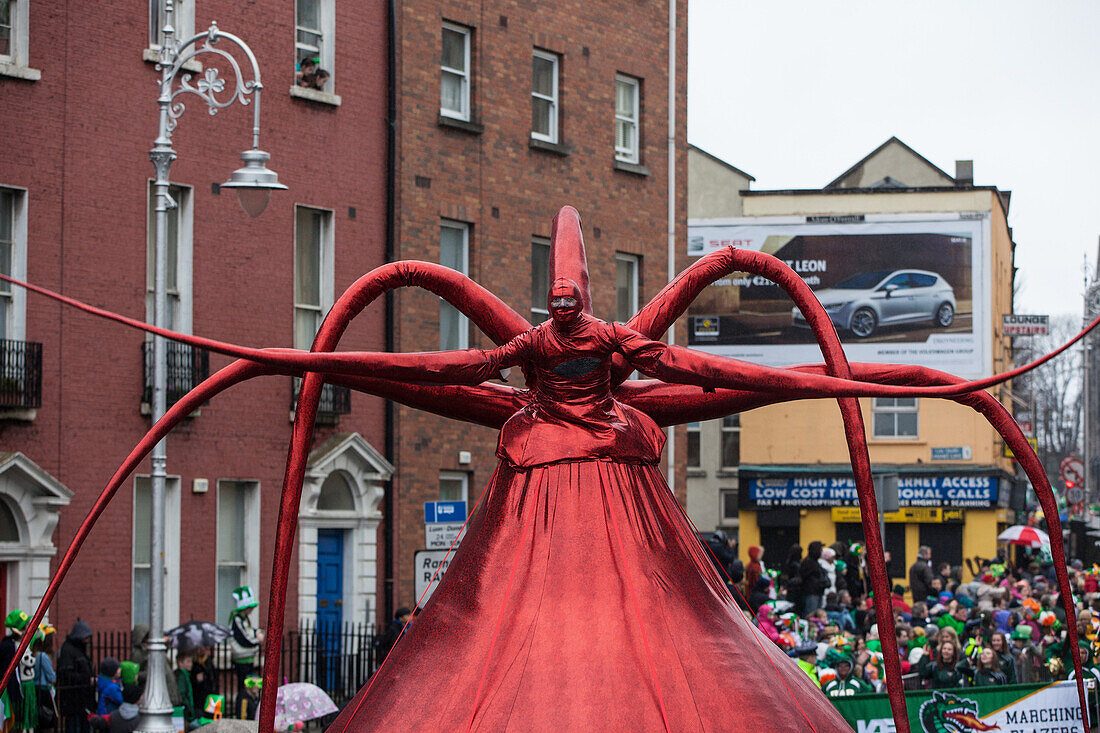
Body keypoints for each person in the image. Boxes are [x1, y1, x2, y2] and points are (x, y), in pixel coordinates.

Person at [329, 271, 853, 731]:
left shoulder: (572, 339)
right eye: (557, 307)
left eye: (565, 305)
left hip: (586, 443)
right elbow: (484, 364)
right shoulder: (560, 339)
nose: (561, 315)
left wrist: (775, 378)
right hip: (568, 446)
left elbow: (484, 364)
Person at [56, 620, 93, 733]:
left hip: (81, 697)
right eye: (85, 638)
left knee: (82, 724)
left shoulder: (78, 649)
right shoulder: (68, 650)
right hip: (73, 698)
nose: (87, 641)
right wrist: (86, 679)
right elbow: (66, 674)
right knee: (74, 725)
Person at [228, 586, 262, 698]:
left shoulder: (244, 619)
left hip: (248, 657)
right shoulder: (236, 619)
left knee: (249, 685)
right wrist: (257, 641)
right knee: (244, 688)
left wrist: (257, 632)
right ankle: (242, 709)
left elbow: (249, 631)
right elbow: (243, 638)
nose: (252, 610)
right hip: (241, 658)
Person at [34, 625, 58, 732]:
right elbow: (51, 677)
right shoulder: (43, 656)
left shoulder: (34, 654)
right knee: (48, 722)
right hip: (44, 691)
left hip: (35, 689)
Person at [800, 542, 828, 615]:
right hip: (811, 593)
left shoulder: (816, 562)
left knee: (818, 615)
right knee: (811, 614)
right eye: (820, 550)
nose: (822, 552)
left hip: (818, 592)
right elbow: (805, 577)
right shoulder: (808, 562)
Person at [173, 652, 195, 729]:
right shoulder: (181, 675)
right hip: (184, 712)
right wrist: (188, 710)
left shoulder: (185, 674)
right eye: (188, 661)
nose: (191, 664)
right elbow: (182, 693)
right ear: (180, 663)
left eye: (191, 661)